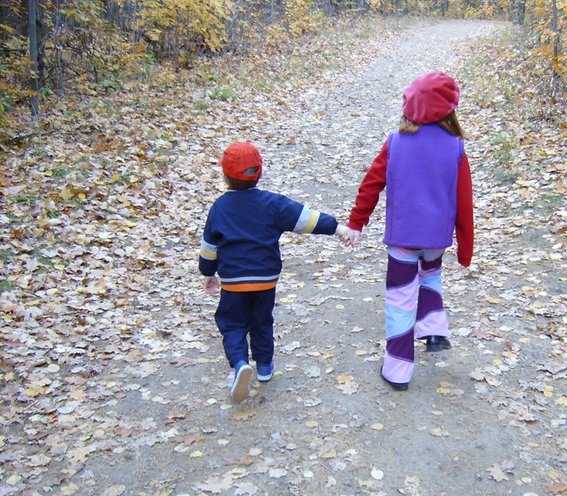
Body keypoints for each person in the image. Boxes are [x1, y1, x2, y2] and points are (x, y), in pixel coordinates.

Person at [343, 71, 474, 391]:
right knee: (430, 277)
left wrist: (356, 223)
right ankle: (433, 331)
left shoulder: (395, 143)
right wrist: (465, 248)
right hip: (436, 240)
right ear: (449, 110)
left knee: (401, 298)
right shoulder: (455, 148)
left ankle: (398, 369)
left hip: (402, 240)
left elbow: (370, 186)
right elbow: (464, 203)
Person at [199, 141, 352, 403]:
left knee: (233, 323)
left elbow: (209, 246)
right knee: (262, 320)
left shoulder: (220, 208)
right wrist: (338, 228)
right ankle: (265, 367)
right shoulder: (272, 203)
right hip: (265, 280)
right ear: (259, 172)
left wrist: (208, 272)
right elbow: (307, 219)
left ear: (224, 175)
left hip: (234, 282)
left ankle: (239, 364)